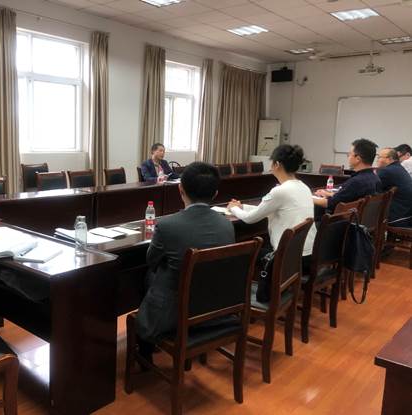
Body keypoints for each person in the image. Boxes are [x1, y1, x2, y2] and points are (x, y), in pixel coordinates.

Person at [135, 162, 235, 355]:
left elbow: (152, 261)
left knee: (150, 275)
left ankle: (146, 348)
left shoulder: (167, 225)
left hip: (175, 314)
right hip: (215, 308)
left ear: (180, 189)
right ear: (215, 194)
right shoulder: (227, 225)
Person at [228, 145, 316, 302]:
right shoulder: (303, 187)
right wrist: (242, 207)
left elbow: (250, 219)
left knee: (242, 252)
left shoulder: (280, 191)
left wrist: (233, 209)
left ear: (277, 164)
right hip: (305, 255)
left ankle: (237, 299)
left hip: (287, 259)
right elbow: (267, 209)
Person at [313, 138, 381, 213]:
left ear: (358, 159)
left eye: (349, 154)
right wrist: (329, 194)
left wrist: (308, 198)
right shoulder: (375, 178)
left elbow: (329, 203)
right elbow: (348, 196)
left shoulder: (356, 182)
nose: (348, 157)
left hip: (341, 218)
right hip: (362, 218)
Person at [376, 147, 412, 223]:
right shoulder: (399, 168)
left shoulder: (386, 171)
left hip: (397, 218)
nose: (377, 160)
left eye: (379, 157)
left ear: (390, 159)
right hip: (407, 215)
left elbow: (371, 188)